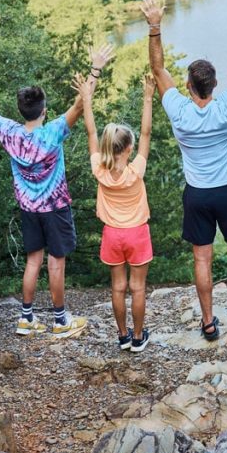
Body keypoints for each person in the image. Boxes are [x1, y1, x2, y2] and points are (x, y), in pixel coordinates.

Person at [0, 45, 115, 338]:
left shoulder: (8, 131)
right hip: (55, 207)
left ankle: (26, 318)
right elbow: (81, 103)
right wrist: (95, 68)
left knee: (34, 259)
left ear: (21, 111)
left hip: (28, 209)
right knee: (56, 261)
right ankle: (60, 322)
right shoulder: (54, 131)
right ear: (44, 111)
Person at [144, 0, 227, 340]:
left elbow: (157, 68)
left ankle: (209, 323)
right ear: (214, 86)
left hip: (197, 194)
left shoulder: (179, 111)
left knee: (202, 260)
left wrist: (154, 26)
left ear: (188, 86)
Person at [76, 71, 156, 353]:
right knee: (138, 288)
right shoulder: (136, 171)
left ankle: (122, 336)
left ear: (109, 147)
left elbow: (90, 132)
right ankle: (137, 337)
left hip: (112, 235)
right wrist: (148, 97)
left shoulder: (99, 170)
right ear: (130, 148)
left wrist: (86, 99)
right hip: (137, 234)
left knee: (118, 287)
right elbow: (147, 132)